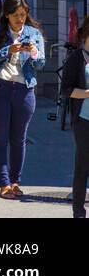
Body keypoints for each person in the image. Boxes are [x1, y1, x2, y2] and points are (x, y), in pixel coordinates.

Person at [0, 0, 45, 199]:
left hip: (24, 90)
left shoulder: (33, 33)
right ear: (7, 15)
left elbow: (40, 65)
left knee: (19, 139)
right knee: (0, 137)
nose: (20, 19)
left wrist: (34, 53)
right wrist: (6, 51)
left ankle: (15, 181)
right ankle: (4, 184)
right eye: (16, 15)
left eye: (23, 15)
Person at [59, 15, 89, 218]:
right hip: (83, 118)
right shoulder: (76, 58)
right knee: (83, 164)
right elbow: (66, 90)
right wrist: (87, 93)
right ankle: (78, 211)